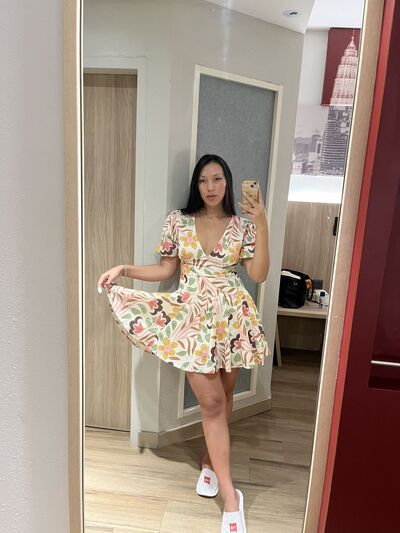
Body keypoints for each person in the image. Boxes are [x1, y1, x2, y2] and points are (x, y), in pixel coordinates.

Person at [97, 154, 270, 533]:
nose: (211, 187)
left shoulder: (243, 226)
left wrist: (261, 222)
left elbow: (258, 274)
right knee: (211, 402)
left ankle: (209, 462)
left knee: (224, 397)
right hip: (193, 319)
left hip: (232, 318)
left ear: (228, 182)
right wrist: (124, 269)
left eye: (218, 179)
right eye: (204, 180)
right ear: (196, 184)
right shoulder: (178, 221)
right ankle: (231, 497)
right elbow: (166, 268)